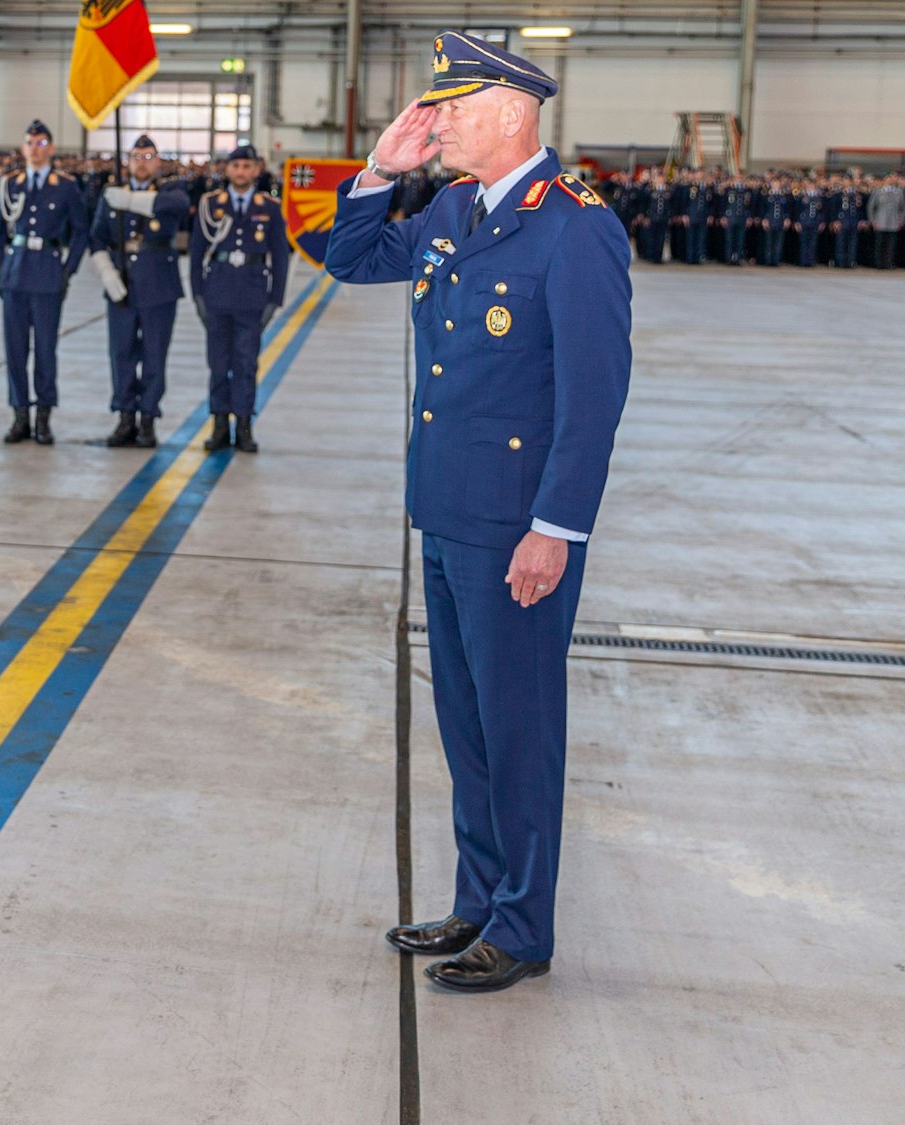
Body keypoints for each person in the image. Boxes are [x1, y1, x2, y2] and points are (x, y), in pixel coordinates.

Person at [326, 30, 632, 993]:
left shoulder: (575, 225)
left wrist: (557, 527)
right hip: (447, 508)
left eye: (453, 108)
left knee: (520, 726)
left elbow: (594, 396)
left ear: (512, 111)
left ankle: (524, 926)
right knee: (465, 723)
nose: (437, 121)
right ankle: (478, 900)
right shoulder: (453, 205)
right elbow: (351, 256)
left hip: (518, 528)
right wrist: (381, 168)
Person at [0, 119, 88, 445]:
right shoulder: (10, 184)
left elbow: (80, 231)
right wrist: (1, 269)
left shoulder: (66, 186)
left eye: (42, 143)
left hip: (47, 273)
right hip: (16, 274)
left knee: (45, 350)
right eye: (30, 143)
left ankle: (43, 416)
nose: (35, 149)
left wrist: (67, 270)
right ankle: (20, 415)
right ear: (23, 148)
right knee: (15, 350)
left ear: (52, 148)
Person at [88, 134, 190, 449]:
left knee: (154, 355)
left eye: (148, 157)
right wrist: (106, 272)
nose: (141, 163)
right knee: (121, 354)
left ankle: (147, 418)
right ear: (127, 161)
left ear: (158, 162)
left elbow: (177, 206)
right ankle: (124, 417)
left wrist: (130, 201)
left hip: (159, 286)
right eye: (136, 157)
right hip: (122, 286)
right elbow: (96, 238)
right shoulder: (111, 194)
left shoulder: (171, 190)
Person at [190, 145, 288, 453]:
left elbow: (280, 257)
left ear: (256, 170)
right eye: (236, 166)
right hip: (217, 292)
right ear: (227, 170)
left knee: (246, 364)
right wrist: (198, 295)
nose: (241, 172)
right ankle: (219, 424)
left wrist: (275, 299)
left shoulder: (269, 207)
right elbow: (195, 254)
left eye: (247, 166)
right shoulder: (210, 205)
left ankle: (244, 425)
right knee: (218, 364)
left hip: (252, 295)